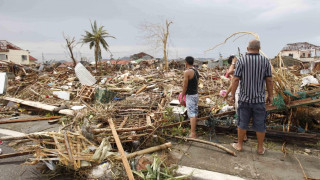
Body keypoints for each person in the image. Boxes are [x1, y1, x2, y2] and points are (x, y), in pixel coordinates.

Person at [230, 39, 273, 155]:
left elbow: (235, 79)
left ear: (247, 48)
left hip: (244, 98)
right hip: (259, 99)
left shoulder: (242, 60)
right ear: (259, 49)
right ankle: (260, 148)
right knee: (260, 124)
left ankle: (239, 145)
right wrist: (271, 95)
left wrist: (232, 95)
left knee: (242, 122)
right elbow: (269, 80)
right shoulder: (265, 61)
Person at [224, 55, 248, 142]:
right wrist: (227, 93)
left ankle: (242, 138)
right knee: (242, 116)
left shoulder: (239, 69)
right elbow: (233, 83)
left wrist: (234, 62)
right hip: (244, 95)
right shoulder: (243, 68)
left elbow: (230, 72)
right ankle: (243, 136)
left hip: (240, 95)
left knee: (240, 117)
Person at [180, 56, 199, 139]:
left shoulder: (187, 72)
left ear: (186, 62)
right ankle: (193, 131)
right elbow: (197, 84)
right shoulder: (196, 71)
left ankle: (193, 133)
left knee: (192, 114)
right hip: (195, 94)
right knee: (194, 113)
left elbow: (185, 86)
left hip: (190, 95)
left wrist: (182, 97)